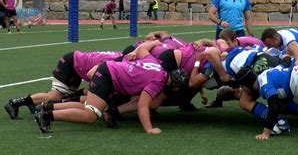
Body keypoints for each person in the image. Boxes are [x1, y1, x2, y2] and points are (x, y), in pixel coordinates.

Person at [34, 44, 188, 134]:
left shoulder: (156, 65)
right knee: (90, 115)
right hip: (108, 75)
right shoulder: (158, 82)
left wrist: (137, 51)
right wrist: (149, 129)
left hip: (109, 72)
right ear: (174, 85)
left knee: (88, 105)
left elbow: (142, 49)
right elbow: (143, 105)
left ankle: (46, 110)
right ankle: (46, 116)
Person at [3, 50, 123, 119]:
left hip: (77, 66)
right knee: (55, 95)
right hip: (71, 63)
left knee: (70, 94)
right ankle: (14, 103)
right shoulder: (115, 61)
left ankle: (36, 103)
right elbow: (92, 74)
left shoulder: (120, 56)